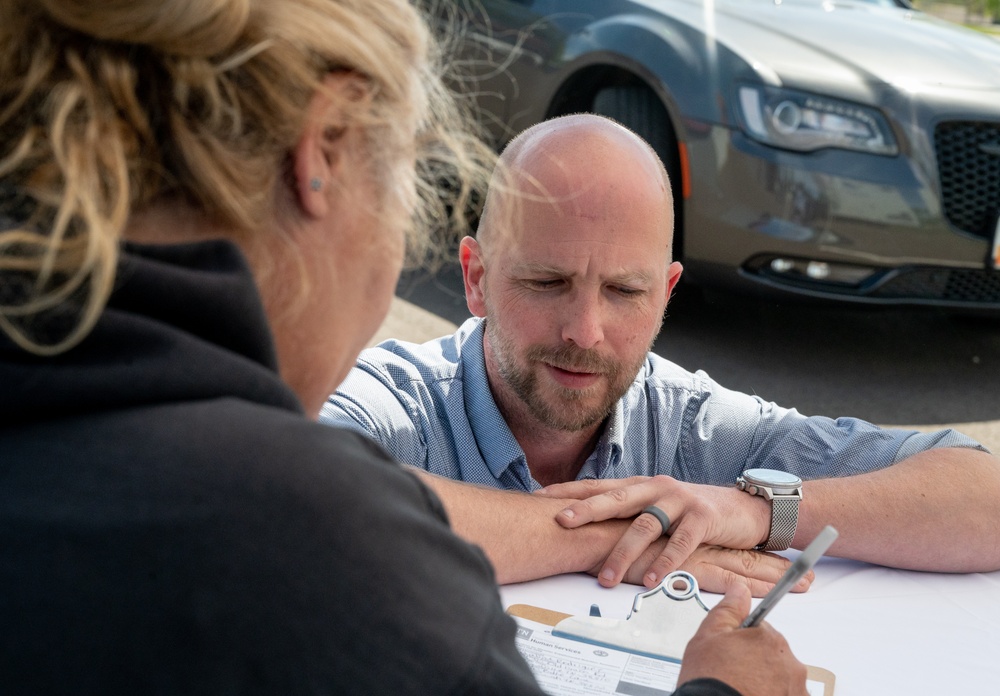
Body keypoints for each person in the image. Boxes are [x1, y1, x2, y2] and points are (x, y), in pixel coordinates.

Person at [0, 1, 811, 694]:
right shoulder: (311, 528)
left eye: (624, 291)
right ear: (326, 144)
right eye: (409, 174)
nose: (584, 330)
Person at [322, 113, 1000, 595]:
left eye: (624, 290)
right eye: (546, 281)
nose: (585, 330)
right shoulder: (396, 401)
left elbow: (983, 497)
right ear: (476, 278)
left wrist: (760, 514)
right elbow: (308, 502)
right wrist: (617, 533)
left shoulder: (694, 427)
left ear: (666, 293)